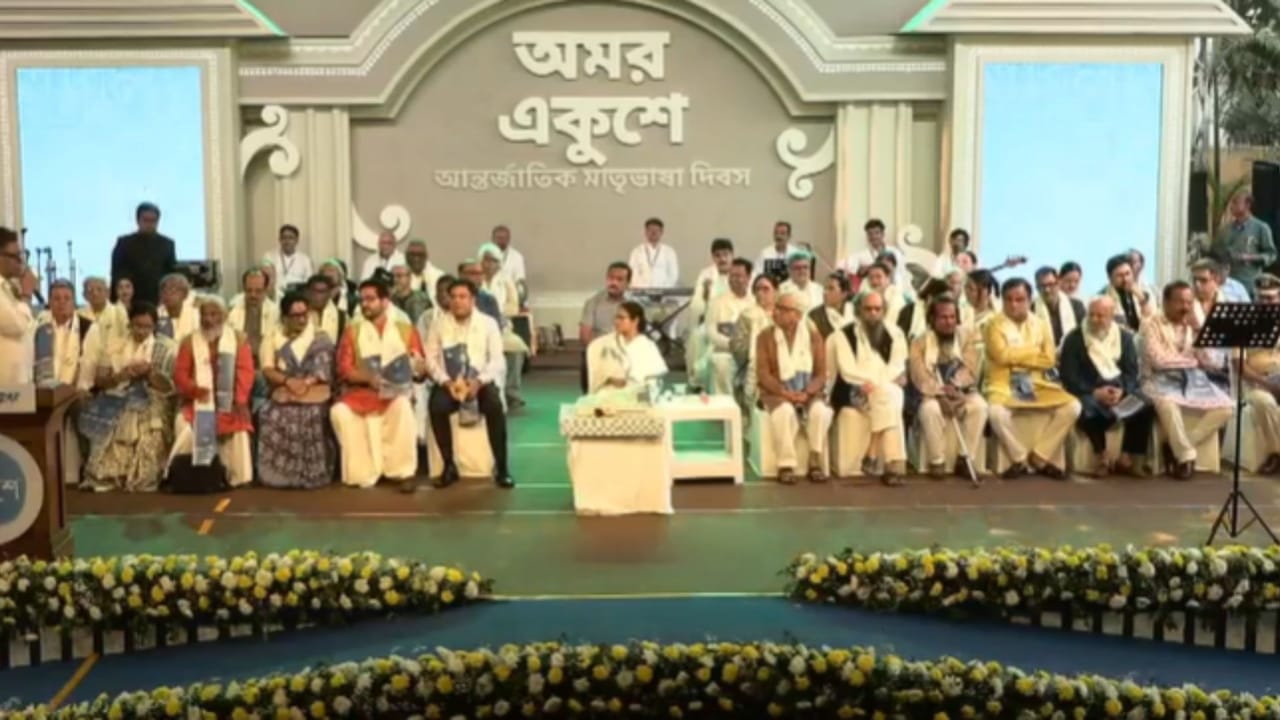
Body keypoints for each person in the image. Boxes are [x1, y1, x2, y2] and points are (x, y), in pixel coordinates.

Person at [331, 279, 428, 490]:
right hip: (361, 394)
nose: (365, 304)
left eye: (370, 299)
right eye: (362, 300)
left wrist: (419, 369)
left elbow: (419, 371)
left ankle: (403, 472)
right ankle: (362, 472)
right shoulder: (352, 332)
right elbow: (344, 369)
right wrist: (368, 378)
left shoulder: (405, 330)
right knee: (339, 411)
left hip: (394, 394)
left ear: (385, 301)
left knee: (403, 406)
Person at [983, 277, 1081, 479]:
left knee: (1073, 407)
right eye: (1008, 299)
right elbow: (1001, 356)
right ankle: (1019, 458)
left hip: (1037, 383)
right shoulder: (992, 324)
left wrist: (1016, 356)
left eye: (1019, 300)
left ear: (1029, 300)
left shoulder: (1040, 324)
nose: (1013, 305)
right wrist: (1033, 353)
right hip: (1004, 382)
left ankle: (1040, 456)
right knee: (995, 413)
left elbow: (1049, 359)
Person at [79, 302, 177, 492]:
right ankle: (115, 474)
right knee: (114, 426)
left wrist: (149, 374)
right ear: (130, 324)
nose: (142, 331)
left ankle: (140, 475)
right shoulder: (115, 346)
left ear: (154, 326)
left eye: (147, 327)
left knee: (149, 430)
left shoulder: (165, 348)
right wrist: (121, 376)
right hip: (118, 396)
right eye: (137, 326)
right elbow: (100, 381)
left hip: (152, 399)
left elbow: (170, 389)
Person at [1140, 281, 1233, 479]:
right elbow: (1159, 361)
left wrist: (1199, 332)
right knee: (1168, 404)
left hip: (1191, 382)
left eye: (1189, 302)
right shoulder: (1150, 324)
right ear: (1165, 302)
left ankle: (1179, 445)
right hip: (1158, 380)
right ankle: (1185, 457)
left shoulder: (1193, 325)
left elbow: (1211, 362)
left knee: (1226, 408)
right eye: (1180, 302)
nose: (1185, 307)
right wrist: (1191, 361)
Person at [425, 278, 512, 488]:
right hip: (450, 383)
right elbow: (430, 359)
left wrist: (478, 382)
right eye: (453, 297)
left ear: (473, 300)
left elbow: (497, 360)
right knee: (436, 406)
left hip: (479, 382)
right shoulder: (439, 324)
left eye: (463, 297)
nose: (457, 301)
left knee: (494, 405)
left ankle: (502, 468)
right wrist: (446, 382)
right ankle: (448, 466)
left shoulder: (488, 324)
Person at [1059, 295, 1152, 476]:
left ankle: (1126, 457)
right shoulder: (1074, 339)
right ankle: (1102, 457)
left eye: (1100, 316)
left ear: (1111, 316)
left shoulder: (1124, 338)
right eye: (1091, 315)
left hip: (1119, 389)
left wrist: (1122, 391)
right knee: (1087, 408)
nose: (1094, 319)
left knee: (1145, 404)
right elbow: (1069, 376)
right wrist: (1095, 392)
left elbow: (1131, 372)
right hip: (1089, 390)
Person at [171, 296, 255, 487]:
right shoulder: (189, 342)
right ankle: (190, 477)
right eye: (205, 315)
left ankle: (237, 477)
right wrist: (195, 390)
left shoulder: (238, 340)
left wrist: (240, 399)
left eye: (214, 314)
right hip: (197, 401)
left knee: (239, 429)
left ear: (224, 316)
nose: (209, 319)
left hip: (231, 403)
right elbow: (180, 375)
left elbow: (245, 372)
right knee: (184, 425)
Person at [257, 292, 337, 489]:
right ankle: (280, 475)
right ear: (285, 317)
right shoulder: (273, 337)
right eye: (296, 315)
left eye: (304, 314)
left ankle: (313, 473)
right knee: (270, 413)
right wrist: (288, 381)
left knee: (312, 413)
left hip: (312, 391)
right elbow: (267, 369)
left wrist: (304, 383)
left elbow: (323, 369)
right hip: (283, 388)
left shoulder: (320, 337)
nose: (302, 319)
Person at [827, 289, 907, 485]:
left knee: (891, 393)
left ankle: (874, 453)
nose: (873, 313)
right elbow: (848, 371)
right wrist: (876, 382)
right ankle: (892, 463)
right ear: (858, 311)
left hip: (881, 389)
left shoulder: (895, 333)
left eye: (878, 309)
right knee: (894, 394)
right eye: (868, 309)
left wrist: (879, 383)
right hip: (854, 390)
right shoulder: (843, 335)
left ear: (884, 311)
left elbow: (897, 365)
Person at [755, 290, 832, 484]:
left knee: (820, 412)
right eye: (777, 307)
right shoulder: (765, 337)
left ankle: (814, 461)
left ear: (797, 315)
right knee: (784, 413)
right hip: (777, 393)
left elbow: (821, 374)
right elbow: (763, 374)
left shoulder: (813, 337)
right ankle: (786, 465)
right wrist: (784, 392)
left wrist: (807, 392)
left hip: (809, 392)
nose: (776, 312)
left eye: (783, 309)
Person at [909, 293, 987, 478]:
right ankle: (937, 461)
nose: (949, 322)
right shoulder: (919, 342)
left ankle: (965, 459)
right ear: (932, 319)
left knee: (980, 406)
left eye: (952, 317)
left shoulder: (967, 337)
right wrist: (940, 394)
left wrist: (956, 388)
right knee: (930, 410)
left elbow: (971, 366)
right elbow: (919, 374)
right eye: (943, 317)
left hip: (961, 390)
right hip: (930, 393)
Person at [479, 243, 530, 409]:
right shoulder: (475, 280)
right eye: (486, 260)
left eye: (493, 261)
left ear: (498, 263)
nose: (489, 264)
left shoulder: (506, 281)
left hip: (502, 326)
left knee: (516, 348)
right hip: (478, 326)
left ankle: (512, 392)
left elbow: (514, 307)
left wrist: (497, 311)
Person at [586, 301, 668, 394]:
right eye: (616, 317)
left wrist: (631, 383)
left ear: (635, 320)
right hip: (609, 394)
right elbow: (597, 371)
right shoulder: (604, 343)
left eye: (621, 318)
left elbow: (655, 375)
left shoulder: (647, 346)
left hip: (637, 396)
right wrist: (609, 378)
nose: (616, 322)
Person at [1243, 273, 1280, 474]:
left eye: (1271, 298)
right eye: (1261, 298)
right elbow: (1239, 365)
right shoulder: (1243, 324)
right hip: (1255, 382)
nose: (1266, 303)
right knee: (1265, 402)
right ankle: (1276, 453)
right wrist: (1267, 384)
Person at [109, 202, 176, 308]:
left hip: (157, 300)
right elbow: (117, 274)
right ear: (138, 220)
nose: (149, 224)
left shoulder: (167, 244)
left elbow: (170, 275)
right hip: (130, 301)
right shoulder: (124, 243)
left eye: (153, 220)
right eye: (146, 220)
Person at [704, 258, 754, 395]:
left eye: (739, 276)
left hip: (750, 352)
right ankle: (725, 404)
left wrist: (746, 348)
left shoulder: (755, 302)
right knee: (721, 363)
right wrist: (732, 345)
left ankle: (750, 403)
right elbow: (710, 331)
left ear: (748, 278)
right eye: (731, 276)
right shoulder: (717, 302)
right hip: (725, 350)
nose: (734, 280)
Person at [1212, 188, 1276, 295]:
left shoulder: (1261, 228)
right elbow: (1215, 252)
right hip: (1228, 284)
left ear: (1247, 205)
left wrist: (1250, 257)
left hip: (1250, 283)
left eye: (1235, 202)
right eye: (1231, 203)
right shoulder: (1225, 229)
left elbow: (1271, 255)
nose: (1231, 206)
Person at [579, 262, 632, 392]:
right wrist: (601, 353)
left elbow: (636, 335)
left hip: (624, 353)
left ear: (628, 283)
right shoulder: (593, 302)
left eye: (619, 279)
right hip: (598, 352)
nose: (614, 282)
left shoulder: (633, 305)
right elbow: (585, 334)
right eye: (611, 278)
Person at [688, 238, 735, 377]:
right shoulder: (706, 274)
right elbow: (697, 303)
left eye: (725, 254)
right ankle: (699, 378)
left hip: (734, 321)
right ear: (713, 257)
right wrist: (705, 295)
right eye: (718, 255)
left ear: (732, 255)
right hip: (711, 320)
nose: (722, 259)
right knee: (697, 336)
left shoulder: (739, 273)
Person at [733, 274, 778, 412]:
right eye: (757, 289)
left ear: (776, 291)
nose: (760, 293)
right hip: (755, 366)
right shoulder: (747, 316)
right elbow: (736, 348)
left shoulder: (785, 314)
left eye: (766, 289)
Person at [34, 280, 92, 387]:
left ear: (74, 302)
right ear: (50, 302)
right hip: (45, 390)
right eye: (57, 298)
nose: (62, 302)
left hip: (76, 391)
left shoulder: (88, 328)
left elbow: (88, 368)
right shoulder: (40, 328)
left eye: (67, 298)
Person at [0, 228, 36, 385]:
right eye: (16, 256)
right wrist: (27, 293)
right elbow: (17, 325)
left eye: (22, 255)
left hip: (18, 386)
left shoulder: (8, 288)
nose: (21, 261)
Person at [228, 267, 279, 365]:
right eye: (249, 290)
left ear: (266, 289)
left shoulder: (275, 311)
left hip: (266, 361)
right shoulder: (233, 308)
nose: (253, 295)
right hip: (239, 360)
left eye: (258, 291)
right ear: (243, 288)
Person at [840, 219, 905, 288]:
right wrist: (868, 268)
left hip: (894, 288)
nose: (873, 236)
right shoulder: (861, 255)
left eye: (877, 233)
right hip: (872, 289)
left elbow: (902, 272)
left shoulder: (895, 252)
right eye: (870, 234)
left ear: (883, 234)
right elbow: (850, 270)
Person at [1031, 266, 1085, 348]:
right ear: (1037, 287)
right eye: (1042, 286)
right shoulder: (1031, 309)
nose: (1047, 290)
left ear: (1058, 283)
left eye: (1050, 284)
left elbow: (1085, 334)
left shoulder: (1076, 306)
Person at [1101, 254, 1155, 332]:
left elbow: (1152, 319)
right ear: (1109, 278)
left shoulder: (1141, 291)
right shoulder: (1103, 297)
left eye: (1127, 274)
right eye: (1120, 276)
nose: (1125, 279)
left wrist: (1141, 297)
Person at [628, 217, 679, 288]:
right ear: (645, 232)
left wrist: (664, 288)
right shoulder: (636, 251)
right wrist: (642, 287)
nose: (653, 232)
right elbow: (632, 273)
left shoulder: (669, 251)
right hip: (641, 290)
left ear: (661, 232)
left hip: (664, 290)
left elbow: (673, 275)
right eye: (651, 230)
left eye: (656, 230)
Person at [265, 224, 314, 290]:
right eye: (284, 237)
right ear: (279, 239)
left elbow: (309, 282)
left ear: (297, 240)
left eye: (290, 238)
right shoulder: (269, 256)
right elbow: (265, 280)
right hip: (275, 293)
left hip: (297, 294)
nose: (287, 241)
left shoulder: (305, 259)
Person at [808, 272, 852, 339]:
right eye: (824, 288)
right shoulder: (814, 316)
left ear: (844, 294)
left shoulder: (854, 312)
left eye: (831, 288)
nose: (825, 292)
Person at [157, 273, 198, 342]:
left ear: (185, 295)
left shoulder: (197, 315)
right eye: (164, 291)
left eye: (173, 290)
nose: (168, 294)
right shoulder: (155, 315)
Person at [489, 225, 527, 297]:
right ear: (492, 239)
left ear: (509, 239)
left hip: (510, 295)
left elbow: (520, 280)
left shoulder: (517, 257)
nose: (501, 241)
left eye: (504, 238)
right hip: (490, 295)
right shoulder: (485, 255)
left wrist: (521, 300)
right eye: (499, 238)